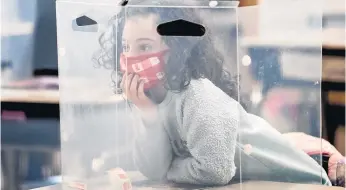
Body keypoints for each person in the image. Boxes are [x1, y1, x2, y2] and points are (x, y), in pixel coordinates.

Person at [94, 2, 330, 186]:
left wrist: (171, 168)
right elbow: (153, 170)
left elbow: (215, 170)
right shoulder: (150, 97)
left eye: (144, 47)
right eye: (126, 47)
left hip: (302, 182)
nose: (130, 57)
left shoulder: (198, 97)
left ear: (175, 47)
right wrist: (147, 114)